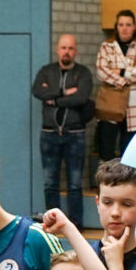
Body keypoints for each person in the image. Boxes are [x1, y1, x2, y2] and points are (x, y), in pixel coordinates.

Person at [33, 32, 95, 226]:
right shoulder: (46, 71)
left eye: (70, 48)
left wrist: (53, 98)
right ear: (57, 50)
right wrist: (64, 93)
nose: (66, 52)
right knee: (50, 183)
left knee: (75, 184)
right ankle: (52, 223)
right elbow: (38, 91)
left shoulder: (83, 73)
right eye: (63, 48)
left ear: (75, 51)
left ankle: (75, 225)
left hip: (74, 135)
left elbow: (82, 97)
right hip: (49, 134)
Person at [97, 8, 136, 157]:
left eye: (128, 24)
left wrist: (121, 72)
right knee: (106, 150)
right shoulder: (106, 47)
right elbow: (101, 71)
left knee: (130, 152)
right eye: (121, 24)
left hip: (135, 108)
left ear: (134, 27)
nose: (124, 28)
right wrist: (124, 81)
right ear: (116, 26)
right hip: (112, 105)